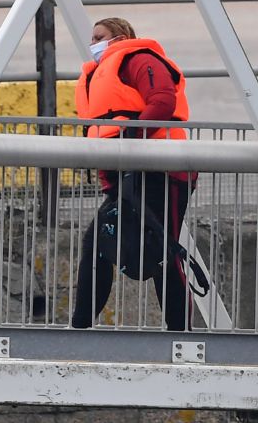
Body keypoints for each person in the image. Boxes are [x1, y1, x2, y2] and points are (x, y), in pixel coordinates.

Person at [71, 17, 196, 331]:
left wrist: (128, 142)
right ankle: (80, 327)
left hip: (160, 172)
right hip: (127, 175)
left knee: (163, 251)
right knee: (98, 243)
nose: (94, 44)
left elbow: (163, 101)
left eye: (100, 37)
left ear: (121, 37)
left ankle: (181, 335)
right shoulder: (103, 72)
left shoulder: (139, 59)